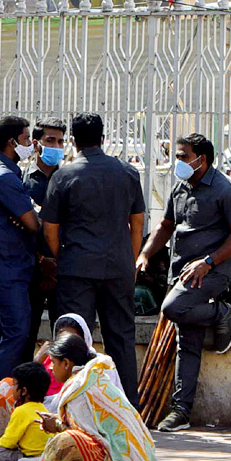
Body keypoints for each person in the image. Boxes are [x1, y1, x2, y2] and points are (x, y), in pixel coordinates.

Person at [137, 134, 231, 432]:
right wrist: (146, 254)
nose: (178, 162)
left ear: (203, 159)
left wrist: (209, 262)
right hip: (182, 271)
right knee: (188, 340)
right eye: (178, 156)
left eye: (184, 156)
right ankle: (181, 410)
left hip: (211, 273)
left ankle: (221, 312)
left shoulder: (228, 190)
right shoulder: (181, 186)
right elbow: (166, 225)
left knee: (173, 308)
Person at [42, 112, 145, 403]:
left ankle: (73, 404)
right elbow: (137, 224)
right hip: (118, 266)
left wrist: (63, 257)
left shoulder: (64, 176)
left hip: (76, 267)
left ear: (73, 140)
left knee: (72, 339)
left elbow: (51, 231)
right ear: (103, 138)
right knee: (121, 338)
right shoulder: (127, 173)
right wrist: (131, 259)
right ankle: (127, 408)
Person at [6, 333, 169, 461]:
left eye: (53, 362)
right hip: (125, 457)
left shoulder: (81, 387)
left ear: (66, 364)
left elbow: (88, 434)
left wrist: (57, 425)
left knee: (67, 442)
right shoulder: (88, 379)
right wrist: (57, 421)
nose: (50, 367)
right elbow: (91, 426)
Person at [0, 115, 42, 388]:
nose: (31, 144)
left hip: (6, 265)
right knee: (16, 333)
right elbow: (32, 224)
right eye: (26, 139)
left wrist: (28, 212)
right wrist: (33, 215)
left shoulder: (3, 171)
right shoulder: (3, 177)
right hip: (6, 267)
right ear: (11, 142)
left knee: (3, 332)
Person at [23, 118, 65, 359]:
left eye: (60, 141)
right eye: (50, 141)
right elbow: (20, 227)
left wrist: (55, 265)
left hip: (62, 271)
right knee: (25, 336)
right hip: (31, 270)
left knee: (64, 339)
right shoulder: (23, 180)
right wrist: (41, 261)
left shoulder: (69, 179)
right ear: (37, 144)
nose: (56, 146)